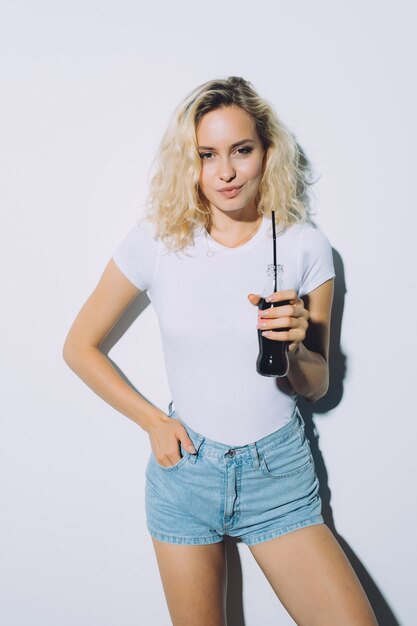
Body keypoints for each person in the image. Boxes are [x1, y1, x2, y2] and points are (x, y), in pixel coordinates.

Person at [63, 76, 378, 626]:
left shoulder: (304, 246)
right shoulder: (160, 239)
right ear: (189, 162)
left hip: (277, 473)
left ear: (266, 152)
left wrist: (299, 344)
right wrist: (152, 423)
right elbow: (79, 347)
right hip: (187, 472)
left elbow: (319, 385)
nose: (226, 172)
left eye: (241, 151)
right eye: (207, 155)